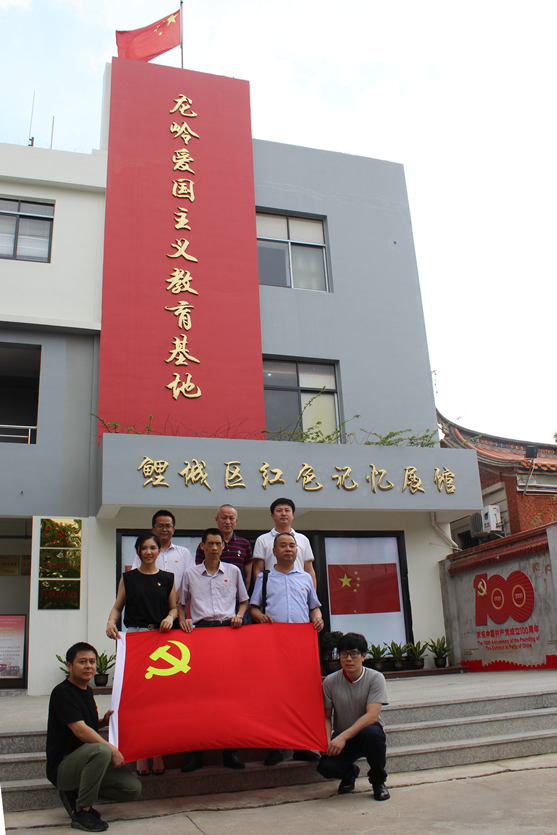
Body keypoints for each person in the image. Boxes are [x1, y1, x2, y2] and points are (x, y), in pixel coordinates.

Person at [46, 642, 141, 832]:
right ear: (69, 665)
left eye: (92, 662)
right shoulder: (62, 692)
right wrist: (112, 749)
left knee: (132, 788)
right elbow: (80, 730)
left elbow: (83, 723)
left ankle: (76, 792)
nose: (88, 666)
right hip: (63, 766)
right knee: (102, 750)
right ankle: (82, 812)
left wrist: (102, 722)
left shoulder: (87, 691)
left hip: (86, 761)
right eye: (82, 662)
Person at [250, 531, 324, 766]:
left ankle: (302, 746)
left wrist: (318, 618)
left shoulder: (305, 577)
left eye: (292, 545)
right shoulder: (264, 578)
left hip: (300, 646)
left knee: (301, 695)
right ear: (274, 551)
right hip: (273, 645)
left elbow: (314, 607)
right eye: (283, 546)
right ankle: (276, 748)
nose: (288, 549)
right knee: (274, 695)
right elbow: (253, 608)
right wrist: (261, 617)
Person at [107, 532, 177, 777]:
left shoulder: (168, 578)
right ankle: (139, 755)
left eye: (152, 548)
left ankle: (157, 753)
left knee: (158, 700)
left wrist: (170, 618)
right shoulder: (128, 578)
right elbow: (118, 607)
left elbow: (173, 608)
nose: (148, 552)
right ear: (138, 551)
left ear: (159, 551)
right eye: (144, 548)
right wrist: (111, 622)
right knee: (136, 699)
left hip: (159, 641)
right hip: (135, 639)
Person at [178, 528, 249, 772]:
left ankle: (231, 753)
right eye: (210, 543)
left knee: (229, 695)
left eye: (218, 544)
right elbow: (181, 603)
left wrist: (239, 615)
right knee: (199, 696)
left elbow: (244, 600)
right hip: (201, 635)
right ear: (202, 546)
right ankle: (195, 755)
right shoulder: (190, 573)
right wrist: (182, 621)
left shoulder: (234, 571)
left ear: (223, 546)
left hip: (229, 632)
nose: (215, 548)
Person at [316, 632, 390, 801]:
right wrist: (325, 741)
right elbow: (326, 717)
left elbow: (372, 716)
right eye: (344, 654)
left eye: (354, 654)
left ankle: (378, 782)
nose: (349, 659)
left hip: (367, 735)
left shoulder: (375, 679)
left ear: (363, 656)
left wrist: (342, 737)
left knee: (372, 733)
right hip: (343, 738)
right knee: (325, 767)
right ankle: (350, 774)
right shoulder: (330, 682)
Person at [131, 511, 193, 620]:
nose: (164, 530)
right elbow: (136, 579)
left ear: (173, 530)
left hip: (178, 611)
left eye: (168, 526)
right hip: (151, 608)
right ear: (153, 529)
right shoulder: (146, 554)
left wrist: (174, 598)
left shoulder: (184, 553)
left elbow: (190, 579)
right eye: (160, 526)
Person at [253, 497, 316, 589]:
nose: (283, 514)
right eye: (279, 511)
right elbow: (258, 571)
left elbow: (309, 570)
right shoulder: (262, 540)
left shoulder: (303, 539)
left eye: (287, 510)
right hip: (272, 589)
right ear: (272, 516)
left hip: (299, 589)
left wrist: (312, 594)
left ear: (293, 515)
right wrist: (262, 592)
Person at [195, 504, 253, 589]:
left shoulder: (244, 544)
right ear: (216, 519)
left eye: (231, 518)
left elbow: (247, 576)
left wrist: (243, 594)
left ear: (236, 521)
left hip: (235, 593)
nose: (228, 522)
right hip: (210, 591)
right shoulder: (206, 544)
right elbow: (199, 571)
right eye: (224, 518)